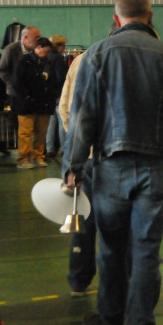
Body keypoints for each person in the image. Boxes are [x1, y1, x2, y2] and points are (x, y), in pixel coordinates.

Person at [64, 0, 163, 325]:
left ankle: (110, 322)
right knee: (146, 251)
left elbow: (82, 118)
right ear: (150, 16)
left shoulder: (96, 55)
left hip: (109, 168)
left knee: (111, 248)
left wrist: (73, 166)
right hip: (153, 167)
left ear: (116, 18)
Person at [58, 48, 97, 297]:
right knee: (118, 223)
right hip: (114, 157)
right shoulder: (129, 58)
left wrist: (75, 145)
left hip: (82, 154)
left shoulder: (81, 60)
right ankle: (121, 284)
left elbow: (64, 108)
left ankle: (78, 281)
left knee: (82, 218)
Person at [12, 37, 59, 169]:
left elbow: (54, 81)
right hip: (27, 104)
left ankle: (38, 156)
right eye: (46, 51)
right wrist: (27, 96)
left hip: (44, 104)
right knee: (25, 133)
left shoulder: (47, 63)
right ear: (38, 48)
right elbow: (17, 82)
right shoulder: (24, 61)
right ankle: (23, 159)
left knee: (41, 133)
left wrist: (52, 94)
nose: (48, 54)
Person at [45, 34, 69, 158]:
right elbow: (61, 77)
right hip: (59, 93)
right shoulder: (59, 59)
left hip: (49, 94)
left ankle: (50, 148)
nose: (64, 48)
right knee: (62, 121)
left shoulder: (46, 57)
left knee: (51, 123)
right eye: (63, 45)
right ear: (57, 45)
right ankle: (65, 148)